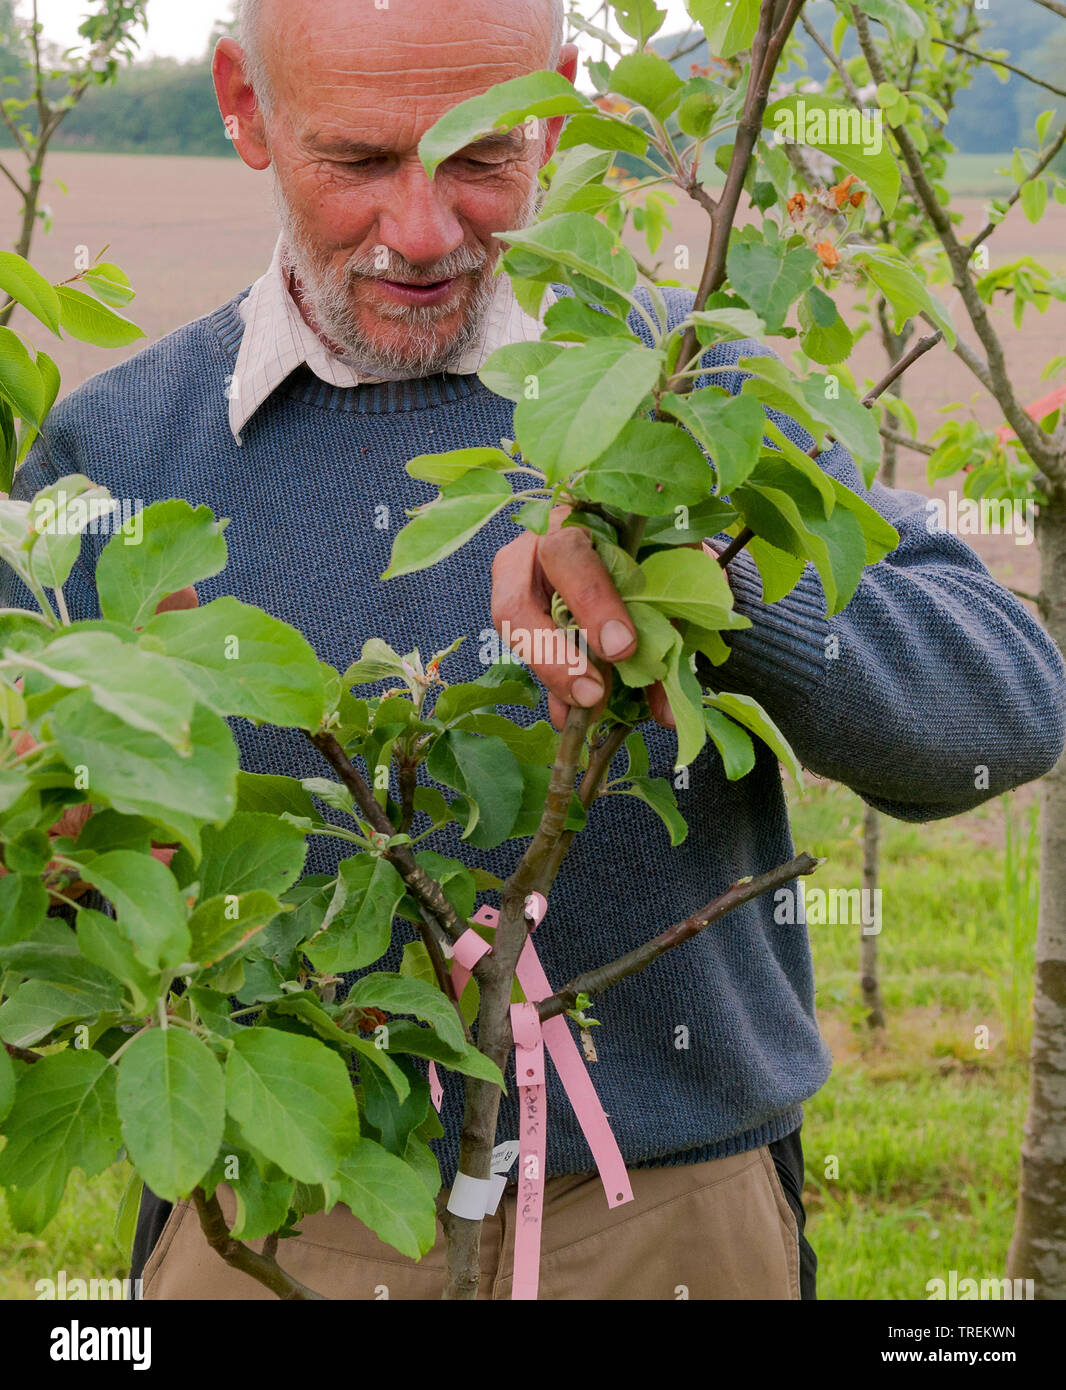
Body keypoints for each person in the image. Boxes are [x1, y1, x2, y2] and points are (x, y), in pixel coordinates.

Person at [3, 0, 1064, 1301]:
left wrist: (693, 580)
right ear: (243, 107)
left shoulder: (683, 399)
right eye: (359, 161)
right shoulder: (114, 458)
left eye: (482, 156)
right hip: (272, 1212)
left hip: (660, 1219)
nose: (423, 231)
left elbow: (1006, 711)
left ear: (558, 106)